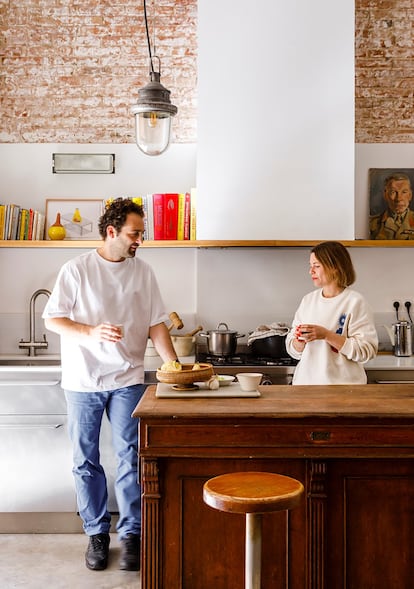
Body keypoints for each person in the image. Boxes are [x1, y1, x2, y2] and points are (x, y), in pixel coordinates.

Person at [42, 198, 179, 572]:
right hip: (83, 379)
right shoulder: (76, 269)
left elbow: (155, 323)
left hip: (127, 378)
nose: (139, 240)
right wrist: (90, 331)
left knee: (131, 459)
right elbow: (53, 319)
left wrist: (175, 367)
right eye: (135, 233)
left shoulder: (143, 272)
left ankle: (132, 533)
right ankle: (96, 534)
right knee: (85, 461)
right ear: (111, 232)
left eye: (141, 233)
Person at [285, 241, 378, 385]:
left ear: (334, 267)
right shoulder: (308, 301)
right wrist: (298, 341)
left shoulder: (355, 302)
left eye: (316, 266)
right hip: (305, 387)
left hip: (345, 390)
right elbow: (292, 349)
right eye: (310, 266)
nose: (311, 271)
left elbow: (367, 350)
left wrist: (327, 335)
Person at [370, 173, 414, 239]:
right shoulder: (372, 224)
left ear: (410, 195)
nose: (398, 199)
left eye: (404, 192)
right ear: (385, 195)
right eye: (393, 192)